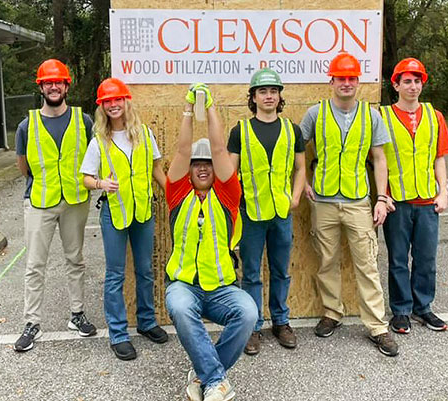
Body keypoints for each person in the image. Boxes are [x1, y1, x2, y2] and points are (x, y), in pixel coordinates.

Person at [300, 53, 398, 357]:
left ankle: (377, 327)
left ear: (358, 82)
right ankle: (332, 312)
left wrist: (381, 198)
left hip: (358, 202)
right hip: (324, 201)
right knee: (327, 261)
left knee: (367, 264)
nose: (346, 83)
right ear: (332, 81)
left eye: (351, 78)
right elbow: (298, 149)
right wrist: (302, 182)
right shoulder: (315, 113)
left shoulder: (371, 116)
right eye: (340, 78)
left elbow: (379, 159)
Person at [165, 83, 258, 401]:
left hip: (220, 288)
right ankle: (216, 380)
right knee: (177, 305)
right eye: (196, 163)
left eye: (207, 164)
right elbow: (181, 151)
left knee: (248, 313)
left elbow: (219, 150)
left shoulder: (228, 195)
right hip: (184, 286)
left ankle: (202, 375)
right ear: (189, 170)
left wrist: (211, 108)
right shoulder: (177, 193)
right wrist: (189, 111)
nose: (202, 166)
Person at [79, 78, 168, 360]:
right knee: (115, 274)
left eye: (117, 100)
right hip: (114, 213)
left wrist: (175, 196)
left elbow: (156, 170)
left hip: (143, 211)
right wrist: (100, 184)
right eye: (108, 101)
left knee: (145, 270)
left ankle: (147, 322)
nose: (113, 105)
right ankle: (118, 334)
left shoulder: (144, 134)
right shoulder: (99, 142)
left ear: (126, 102)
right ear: (102, 107)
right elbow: (85, 179)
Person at [14, 59, 96, 352]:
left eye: (58, 81)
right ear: (41, 87)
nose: (53, 86)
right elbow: (24, 167)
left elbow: (92, 157)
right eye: (48, 82)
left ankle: (77, 314)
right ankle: (32, 322)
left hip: (75, 200)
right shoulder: (27, 125)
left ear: (66, 85)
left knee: (75, 259)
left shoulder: (83, 120)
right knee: (35, 264)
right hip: (39, 202)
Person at [227, 68, 306, 355]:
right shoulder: (240, 131)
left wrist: (295, 197)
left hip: (281, 214)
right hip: (251, 215)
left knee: (280, 270)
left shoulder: (292, 130)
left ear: (279, 96)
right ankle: (253, 325)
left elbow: (300, 168)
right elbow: (230, 172)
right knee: (251, 273)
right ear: (253, 97)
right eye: (263, 91)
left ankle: (281, 321)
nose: (269, 96)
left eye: (273, 91)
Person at [380, 58, 448, 334]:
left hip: (427, 201)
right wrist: (382, 196)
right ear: (396, 84)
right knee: (398, 258)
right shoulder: (383, 117)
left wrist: (442, 192)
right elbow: (378, 161)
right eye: (407, 81)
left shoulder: (435, 117)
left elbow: (440, 158)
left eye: (417, 81)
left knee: (426, 258)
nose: (412, 86)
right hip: (397, 201)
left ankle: (423, 307)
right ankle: (400, 310)